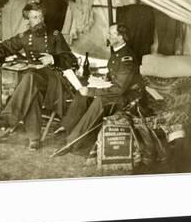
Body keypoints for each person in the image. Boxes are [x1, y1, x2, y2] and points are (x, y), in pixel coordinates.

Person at [0, 0, 77, 150]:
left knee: (29, 77)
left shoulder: (55, 35)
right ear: (28, 19)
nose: (39, 21)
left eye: (41, 17)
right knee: (31, 89)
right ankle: (34, 139)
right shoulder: (24, 36)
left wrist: (53, 58)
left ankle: (7, 119)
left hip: (54, 81)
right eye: (35, 17)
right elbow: (2, 48)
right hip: (35, 82)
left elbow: (71, 60)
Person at [57, 23, 144, 154]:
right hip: (116, 90)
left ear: (120, 37)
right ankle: (68, 127)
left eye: (111, 34)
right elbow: (114, 74)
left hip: (127, 97)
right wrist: (106, 78)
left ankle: (73, 142)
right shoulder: (117, 52)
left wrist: (92, 91)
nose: (107, 36)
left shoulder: (127, 58)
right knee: (82, 94)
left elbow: (119, 90)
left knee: (99, 100)